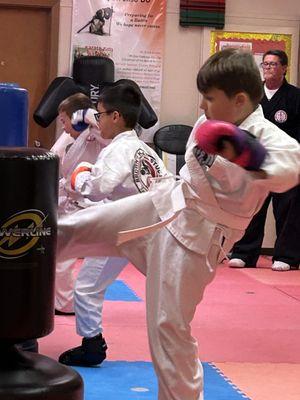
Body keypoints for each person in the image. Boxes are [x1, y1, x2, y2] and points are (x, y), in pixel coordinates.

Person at [56, 49, 300, 400]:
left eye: (209, 98)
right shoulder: (211, 118)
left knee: (167, 331)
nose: (201, 107)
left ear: (240, 100)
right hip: (163, 204)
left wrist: (244, 151)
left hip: (195, 241)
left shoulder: (266, 136)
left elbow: (291, 166)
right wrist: (81, 115)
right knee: (69, 229)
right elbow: (106, 119)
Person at [58, 83, 170, 366]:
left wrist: (81, 175)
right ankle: (94, 343)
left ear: (116, 117)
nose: (99, 120)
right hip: (157, 228)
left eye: (102, 115)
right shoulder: (144, 149)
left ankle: (92, 345)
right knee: (165, 293)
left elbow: (99, 188)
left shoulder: (117, 150)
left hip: (128, 228)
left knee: (86, 285)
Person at [229, 49, 300, 271]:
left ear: (284, 68)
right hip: (255, 161)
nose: (268, 68)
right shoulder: (252, 95)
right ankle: (244, 253)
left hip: (284, 162)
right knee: (252, 207)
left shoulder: (295, 96)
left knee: (287, 210)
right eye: (265, 64)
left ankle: (286, 256)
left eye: (273, 64)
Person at [51, 93, 109, 315]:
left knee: (64, 256)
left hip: (89, 204)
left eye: (66, 121)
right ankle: (63, 301)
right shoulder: (69, 138)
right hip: (68, 201)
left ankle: (66, 303)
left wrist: (86, 115)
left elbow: (106, 134)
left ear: (77, 119)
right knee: (60, 256)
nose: (64, 127)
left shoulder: (97, 134)